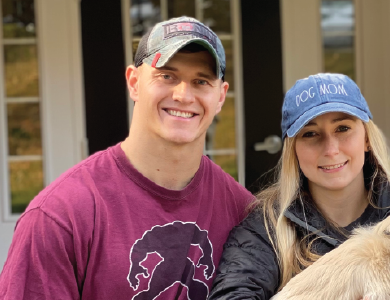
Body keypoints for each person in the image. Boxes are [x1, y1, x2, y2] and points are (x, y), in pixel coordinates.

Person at [0, 16, 253, 300]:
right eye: (166, 76)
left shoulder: (244, 214)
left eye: (201, 81)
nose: (183, 95)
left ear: (220, 97)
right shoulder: (61, 216)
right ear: (134, 82)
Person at [209, 73, 390, 299]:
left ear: (367, 139)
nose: (331, 149)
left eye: (343, 128)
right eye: (310, 134)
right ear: (294, 150)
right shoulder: (266, 230)